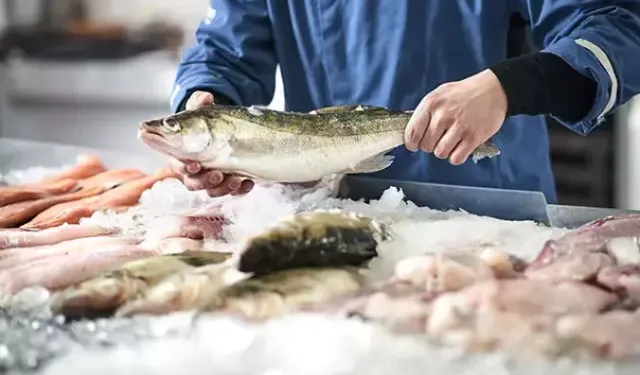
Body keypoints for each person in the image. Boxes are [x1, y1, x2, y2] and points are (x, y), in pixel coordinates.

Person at [168, 1, 640, 203]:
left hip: (486, 211)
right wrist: (207, 108)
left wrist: (509, 85)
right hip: (330, 208)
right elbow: (226, 49)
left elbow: (614, 25)